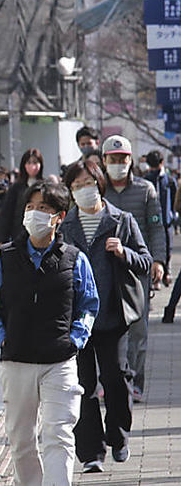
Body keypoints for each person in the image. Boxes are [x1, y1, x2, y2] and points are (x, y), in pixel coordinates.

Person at [0, 180, 99, 484]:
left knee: (58, 435)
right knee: (21, 441)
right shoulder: (3, 257)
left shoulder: (74, 259)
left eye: (43, 208)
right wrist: (0, 336)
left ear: (59, 217)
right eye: (30, 207)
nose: (34, 214)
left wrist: (76, 338)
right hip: (16, 360)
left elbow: (88, 305)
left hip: (59, 361)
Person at [60, 160, 151, 473]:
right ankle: (90, 452)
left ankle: (118, 435)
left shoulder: (121, 220)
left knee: (115, 378)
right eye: (76, 186)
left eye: (88, 183)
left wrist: (124, 252)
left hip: (113, 313)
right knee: (82, 385)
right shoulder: (65, 225)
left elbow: (145, 260)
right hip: (77, 319)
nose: (83, 191)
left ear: (99, 183)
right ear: (70, 192)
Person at [101, 135, 165, 404]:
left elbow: (156, 227)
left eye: (122, 159)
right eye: (113, 159)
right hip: (103, 270)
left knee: (138, 331)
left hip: (137, 270)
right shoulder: (97, 190)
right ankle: (108, 381)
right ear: (104, 161)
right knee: (105, 329)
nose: (118, 164)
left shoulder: (146, 190)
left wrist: (158, 261)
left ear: (130, 160)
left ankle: (135, 382)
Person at [0, 148, 46, 243]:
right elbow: (7, 213)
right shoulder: (16, 187)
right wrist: (2, 238)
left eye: (35, 162)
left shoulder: (46, 186)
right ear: (24, 165)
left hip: (41, 233)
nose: (32, 166)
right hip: (19, 234)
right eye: (29, 163)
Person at [144, 150, 177, 289]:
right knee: (152, 245)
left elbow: (175, 195)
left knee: (167, 245)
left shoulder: (168, 179)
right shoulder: (146, 179)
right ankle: (155, 278)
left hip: (166, 218)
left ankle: (166, 272)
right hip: (152, 217)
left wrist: (173, 212)